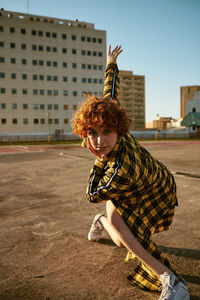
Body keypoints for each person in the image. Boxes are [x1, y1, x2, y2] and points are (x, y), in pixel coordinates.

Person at [71, 45, 190, 300]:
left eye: (106, 131)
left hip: (157, 189)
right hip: (140, 184)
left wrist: (99, 159)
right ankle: (99, 221)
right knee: (122, 240)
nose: (100, 140)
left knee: (122, 228)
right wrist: (110, 64)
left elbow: (93, 194)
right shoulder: (113, 123)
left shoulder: (119, 167)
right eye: (92, 133)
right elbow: (110, 91)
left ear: (118, 127)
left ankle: (170, 280)